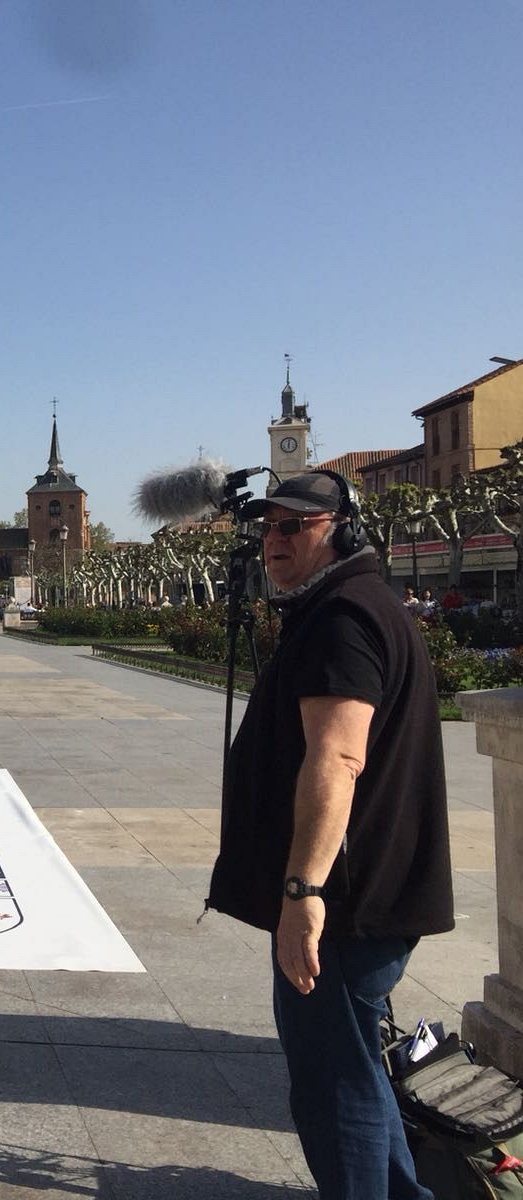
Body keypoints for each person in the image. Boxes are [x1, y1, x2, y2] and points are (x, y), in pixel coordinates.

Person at [207, 471, 453, 1200]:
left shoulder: (342, 617)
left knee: (333, 1090)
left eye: (294, 527)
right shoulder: (348, 604)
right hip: (364, 895)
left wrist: (303, 890)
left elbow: (339, 757)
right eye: (267, 528)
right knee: (354, 1072)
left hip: (344, 902)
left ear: (340, 530)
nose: (273, 542)